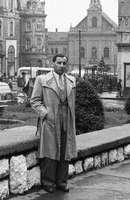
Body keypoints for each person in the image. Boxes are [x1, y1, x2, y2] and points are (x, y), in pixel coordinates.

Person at [30, 54, 77, 194]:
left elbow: (73, 102)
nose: (62, 66)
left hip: (66, 121)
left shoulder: (71, 80)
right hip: (50, 122)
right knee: (50, 153)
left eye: (64, 63)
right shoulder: (42, 80)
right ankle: (48, 182)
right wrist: (45, 114)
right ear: (53, 63)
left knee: (65, 153)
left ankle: (62, 182)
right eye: (59, 63)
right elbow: (35, 101)